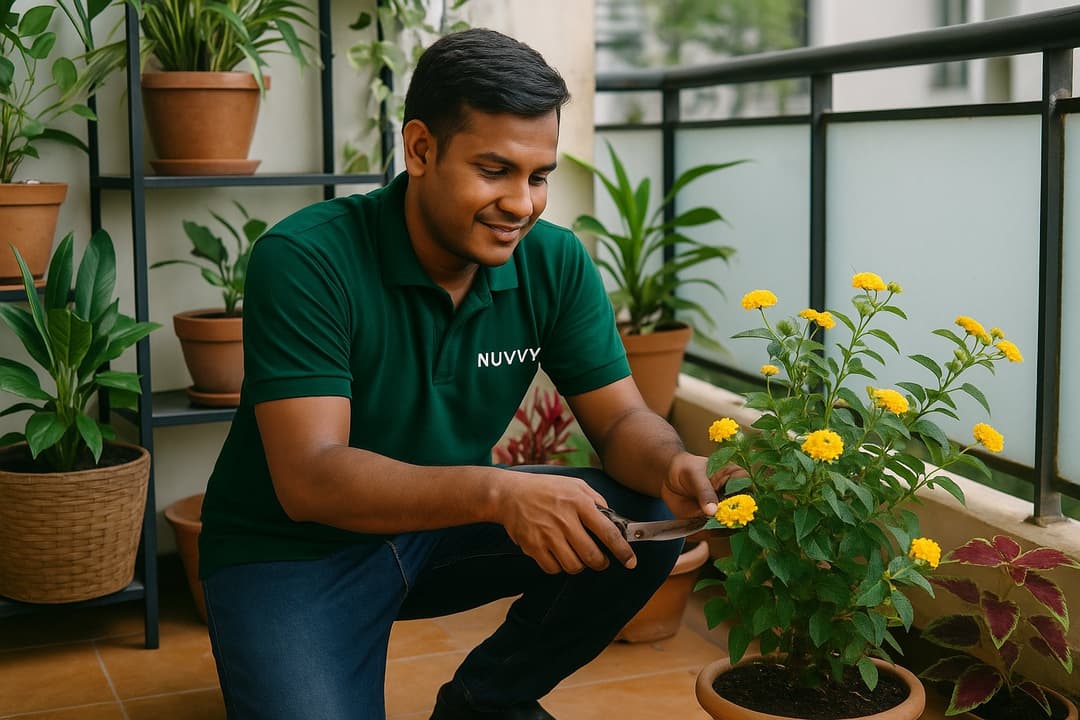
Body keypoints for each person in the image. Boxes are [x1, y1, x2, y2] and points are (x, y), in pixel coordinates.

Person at [198, 27, 735, 720]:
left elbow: (624, 420)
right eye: (494, 170)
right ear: (420, 148)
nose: (522, 203)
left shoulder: (554, 262)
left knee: (643, 515)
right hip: (291, 552)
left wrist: (671, 464)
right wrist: (499, 493)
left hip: (440, 529)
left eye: (538, 176)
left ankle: (486, 703)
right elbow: (312, 477)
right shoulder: (307, 259)